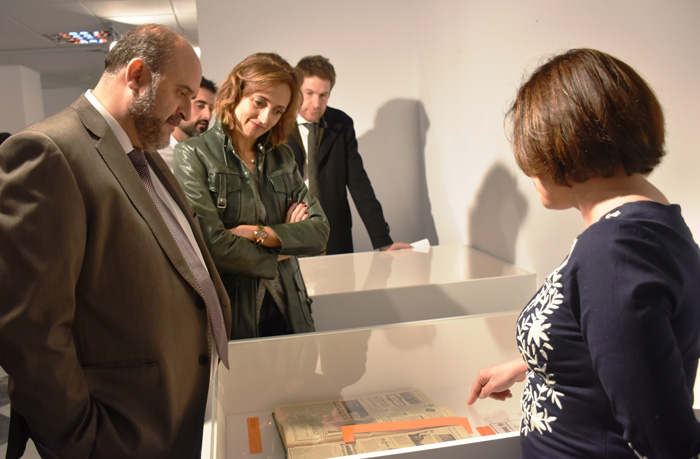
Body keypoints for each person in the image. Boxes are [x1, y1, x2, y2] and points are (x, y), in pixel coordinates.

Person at [0, 24, 231, 459]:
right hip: (118, 430)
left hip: (174, 412)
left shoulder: (141, 153)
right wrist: (79, 439)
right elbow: (31, 330)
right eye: (182, 92)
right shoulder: (48, 151)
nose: (187, 112)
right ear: (138, 75)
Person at [466, 48, 700, 458]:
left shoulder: (613, 251)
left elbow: (661, 434)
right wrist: (535, 366)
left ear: (564, 145)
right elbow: (627, 350)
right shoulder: (651, 225)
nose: (528, 168)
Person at [173, 52, 329, 339]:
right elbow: (212, 244)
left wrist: (259, 233)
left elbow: (319, 231)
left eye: (279, 110)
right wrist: (285, 246)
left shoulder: (281, 157)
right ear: (236, 92)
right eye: (260, 102)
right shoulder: (192, 154)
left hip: (291, 308)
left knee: (299, 383)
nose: (266, 117)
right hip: (234, 312)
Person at [287, 55, 411, 255]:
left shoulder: (341, 124)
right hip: (289, 229)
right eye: (309, 93)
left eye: (323, 95)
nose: (316, 103)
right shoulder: (277, 122)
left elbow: (358, 183)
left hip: (334, 230)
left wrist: (383, 239)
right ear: (296, 89)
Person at [158, 76, 217, 170]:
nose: (208, 115)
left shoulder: (209, 158)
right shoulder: (156, 154)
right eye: (200, 106)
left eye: (211, 109)